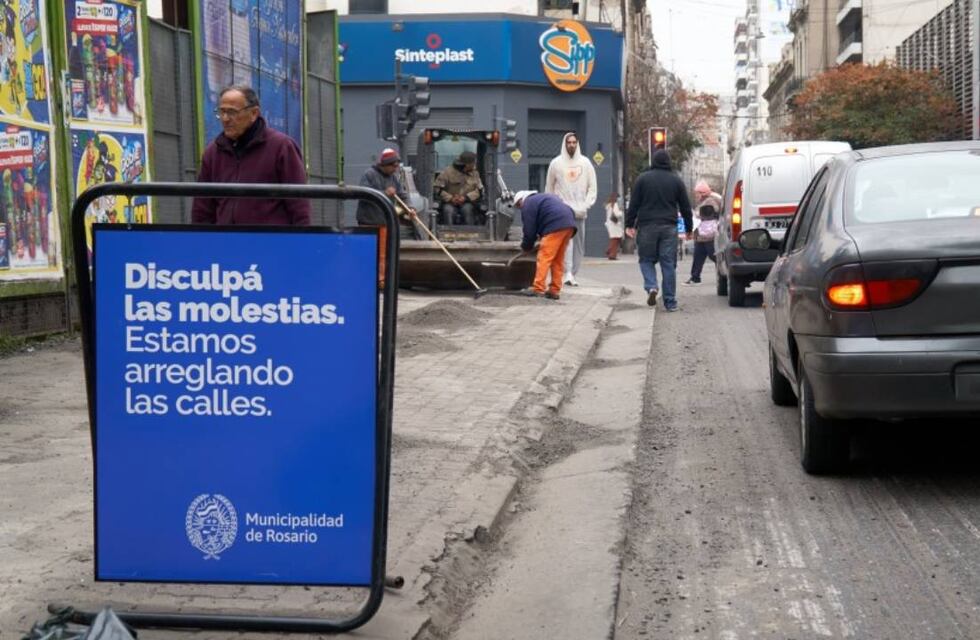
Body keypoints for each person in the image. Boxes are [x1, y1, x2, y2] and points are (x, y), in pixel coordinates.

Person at [191, 85, 310, 225]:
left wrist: (302, 241)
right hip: (226, 242)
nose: (225, 119)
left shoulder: (282, 147)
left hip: (270, 242)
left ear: (254, 113)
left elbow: (299, 206)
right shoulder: (213, 152)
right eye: (221, 112)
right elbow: (202, 208)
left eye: (232, 112)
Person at [625, 149, 693, 311]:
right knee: (668, 264)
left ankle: (652, 286)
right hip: (669, 227)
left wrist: (629, 225)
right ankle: (670, 302)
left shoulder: (642, 179)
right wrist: (689, 228)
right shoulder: (676, 181)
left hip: (647, 226)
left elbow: (634, 204)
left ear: (653, 162)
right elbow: (685, 207)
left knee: (646, 260)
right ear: (669, 162)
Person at [356, 148, 416, 289]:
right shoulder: (369, 175)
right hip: (369, 221)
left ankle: (381, 281)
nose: (395, 169)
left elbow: (402, 195)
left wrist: (410, 208)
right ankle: (370, 280)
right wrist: (384, 193)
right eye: (393, 166)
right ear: (386, 164)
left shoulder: (393, 178)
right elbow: (363, 194)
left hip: (385, 221)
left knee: (384, 253)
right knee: (370, 252)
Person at [546, 132, 596, 287]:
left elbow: (592, 188)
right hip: (563, 211)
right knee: (566, 243)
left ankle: (573, 273)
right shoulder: (556, 163)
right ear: (565, 143)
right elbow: (549, 187)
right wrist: (553, 207)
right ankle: (566, 273)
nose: (572, 145)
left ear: (577, 143)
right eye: (569, 142)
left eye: (574, 142)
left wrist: (586, 205)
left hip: (580, 211)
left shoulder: (586, 163)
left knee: (579, 244)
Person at [513, 190, 577, 300]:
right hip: (569, 225)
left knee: (544, 257)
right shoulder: (542, 198)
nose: (520, 209)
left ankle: (538, 288)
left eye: (519, 206)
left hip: (556, 226)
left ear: (520, 200)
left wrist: (526, 246)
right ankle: (554, 290)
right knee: (557, 259)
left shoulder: (528, 203)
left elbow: (529, 229)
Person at [433, 150, 484, 226]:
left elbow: (480, 190)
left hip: (467, 202)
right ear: (467, 164)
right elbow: (437, 188)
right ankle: (449, 233)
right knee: (448, 211)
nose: (474, 164)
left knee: (468, 210)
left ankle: (470, 233)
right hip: (450, 202)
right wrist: (451, 198)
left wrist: (466, 198)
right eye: (473, 162)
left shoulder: (475, 174)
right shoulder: (447, 172)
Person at [687, 180, 722, 285]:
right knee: (698, 256)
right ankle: (695, 277)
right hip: (702, 235)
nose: (695, 195)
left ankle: (724, 270)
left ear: (702, 193)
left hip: (708, 235)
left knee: (713, 255)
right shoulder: (708, 199)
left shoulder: (710, 200)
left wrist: (696, 214)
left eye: (697, 193)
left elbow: (707, 212)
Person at [604, 192, 624, 260]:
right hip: (615, 224)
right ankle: (612, 254)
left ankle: (610, 252)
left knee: (614, 239)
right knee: (615, 239)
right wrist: (621, 212)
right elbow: (617, 214)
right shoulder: (615, 204)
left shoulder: (609, 205)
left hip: (610, 224)